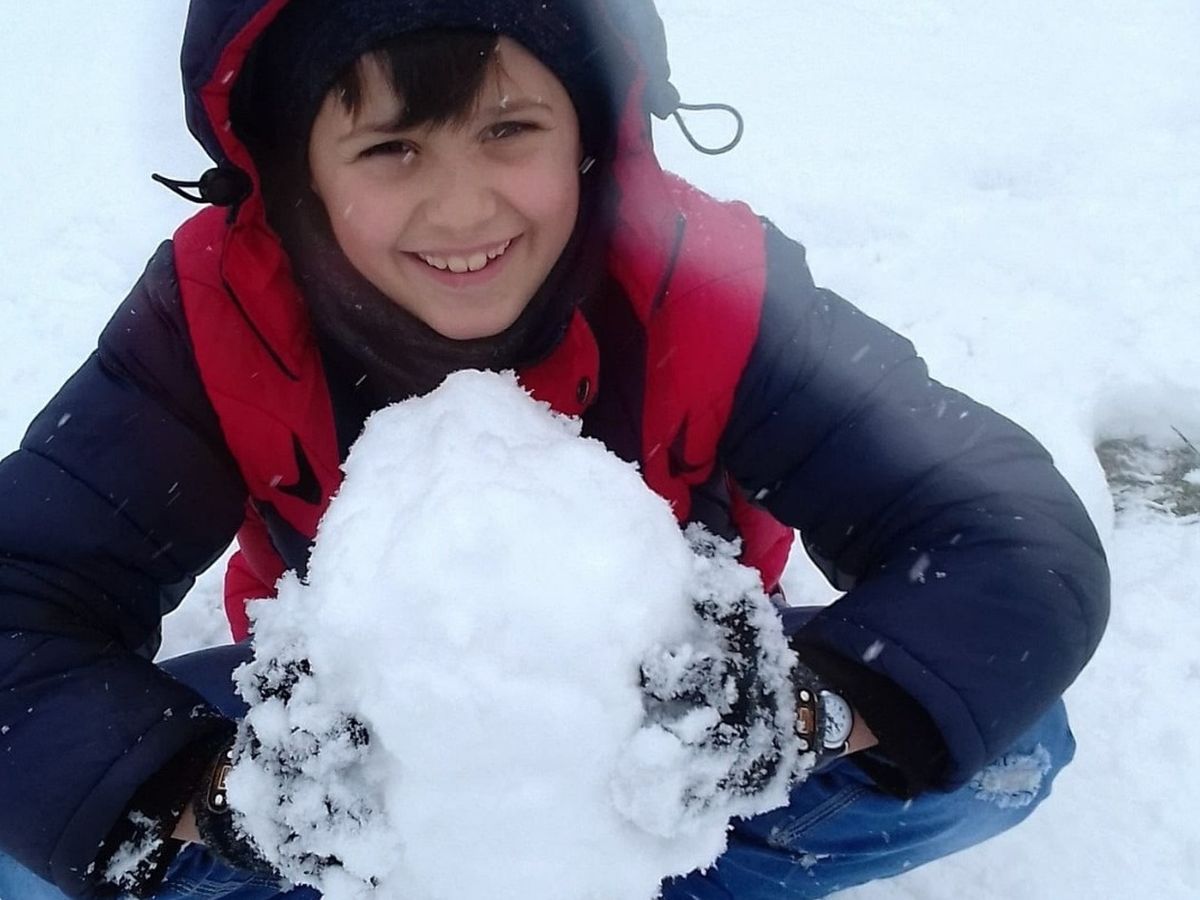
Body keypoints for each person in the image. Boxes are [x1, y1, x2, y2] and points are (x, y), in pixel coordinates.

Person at [0, 0, 1109, 898]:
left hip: (674, 739)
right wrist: (220, 797)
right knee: (41, 837)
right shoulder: (217, 316)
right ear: (299, 171)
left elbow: (1002, 534)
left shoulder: (709, 286)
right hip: (360, 764)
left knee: (999, 739)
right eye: (390, 148)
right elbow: (20, 599)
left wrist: (803, 715)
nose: (461, 210)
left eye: (508, 130)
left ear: (589, 133)